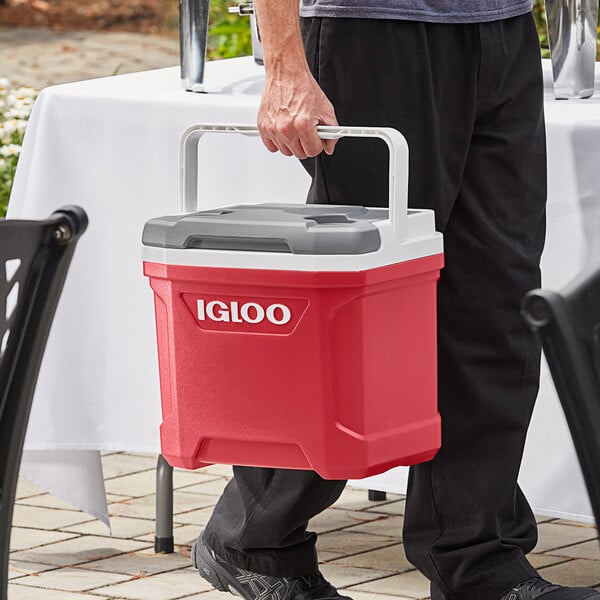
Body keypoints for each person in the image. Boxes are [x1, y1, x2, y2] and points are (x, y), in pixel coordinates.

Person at [191, 2, 600, 599]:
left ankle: (475, 558)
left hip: (502, 33)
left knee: (496, 309)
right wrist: (283, 64)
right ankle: (254, 539)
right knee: (358, 316)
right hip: (375, 33)